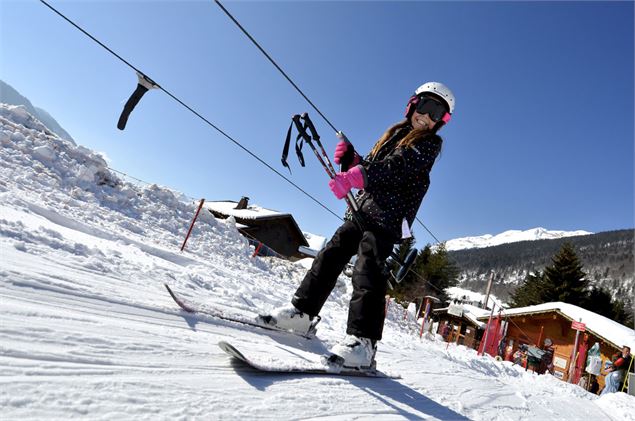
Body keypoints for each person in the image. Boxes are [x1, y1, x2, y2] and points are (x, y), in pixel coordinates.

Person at [261, 82, 455, 368]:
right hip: (362, 211)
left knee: (368, 271)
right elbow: (376, 166)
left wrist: (357, 175)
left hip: (388, 220)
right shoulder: (395, 134)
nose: (427, 117)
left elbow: (395, 168)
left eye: (436, 113)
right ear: (413, 104)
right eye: (426, 106)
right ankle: (302, 314)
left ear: (441, 122)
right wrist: (352, 160)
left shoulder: (426, 146)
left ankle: (364, 343)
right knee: (330, 255)